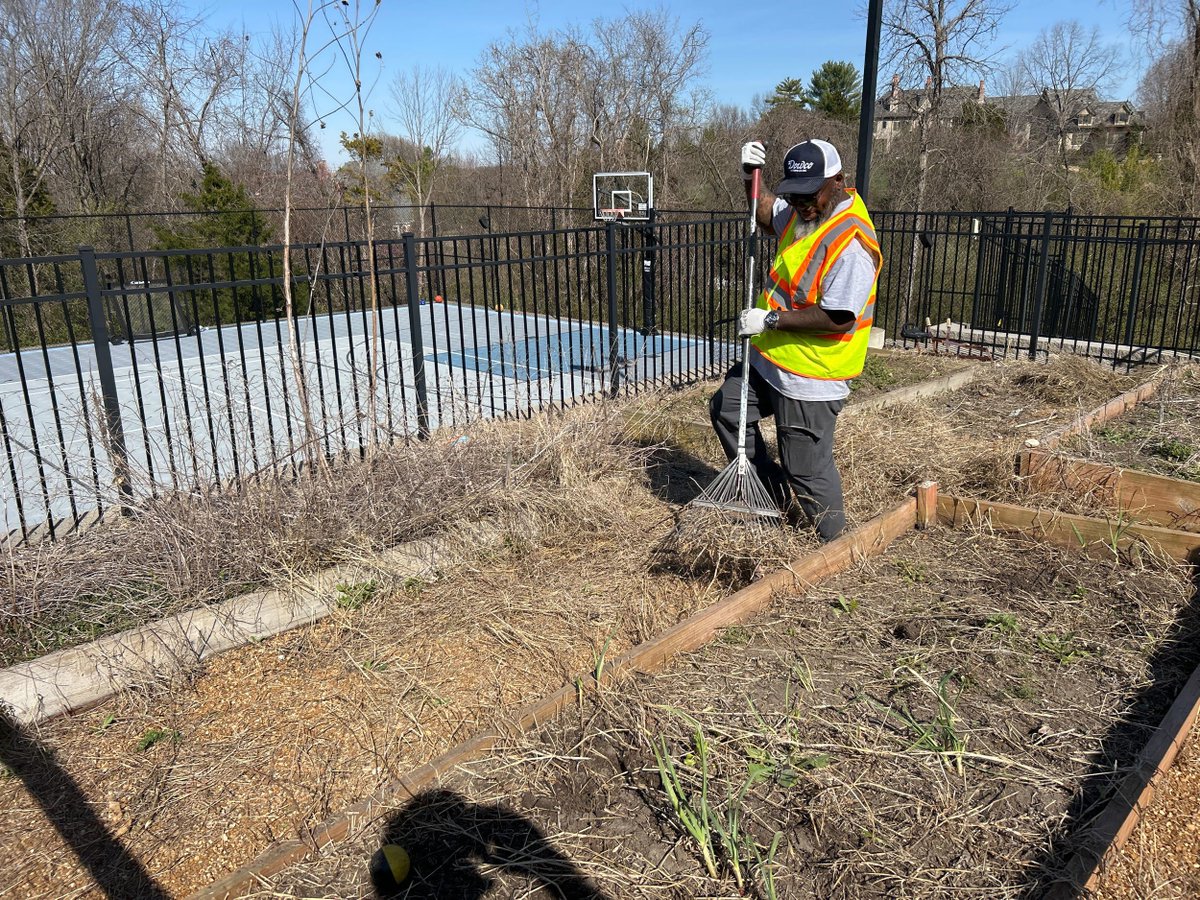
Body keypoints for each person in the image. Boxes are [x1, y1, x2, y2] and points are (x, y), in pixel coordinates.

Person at [709, 139, 882, 541]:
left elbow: (839, 317)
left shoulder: (851, 244)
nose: (802, 204)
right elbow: (767, 212)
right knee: (727, 410)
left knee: (806, 469)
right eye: (795, 195)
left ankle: (835, 547)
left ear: (837, 182)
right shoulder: (805, 215)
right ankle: (771, 498)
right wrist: (750, 176)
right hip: (770, 361)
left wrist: (770, 319)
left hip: (811, 375)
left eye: (810, 194)